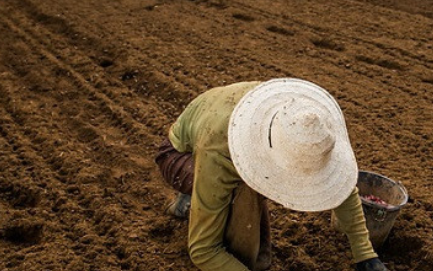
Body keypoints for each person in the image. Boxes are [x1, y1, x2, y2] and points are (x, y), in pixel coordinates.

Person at [155, 78, 389, 271]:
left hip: (211, 135)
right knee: (245, 194)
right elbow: (203, 249)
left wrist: (365, 255)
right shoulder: (221, 151)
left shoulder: (301, 117)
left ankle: (197, 200)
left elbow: (342, 187)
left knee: (247, 200)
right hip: (179, 155)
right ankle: (189, 200)